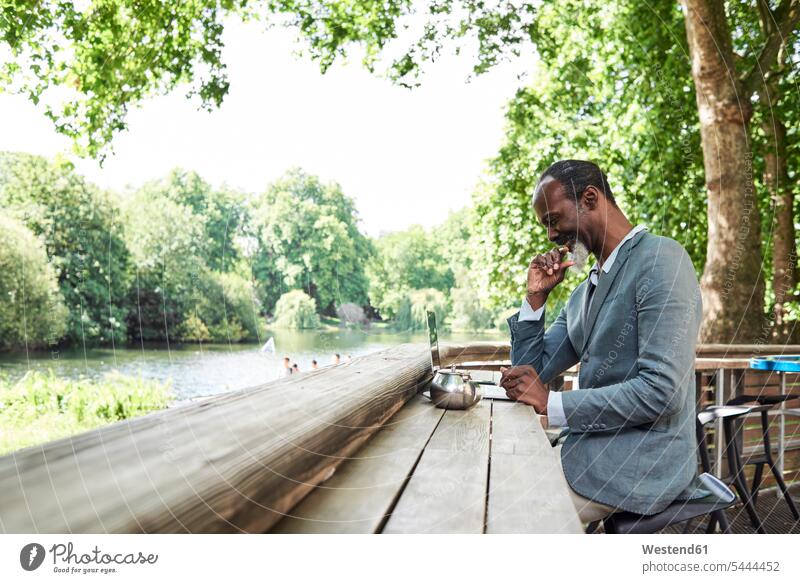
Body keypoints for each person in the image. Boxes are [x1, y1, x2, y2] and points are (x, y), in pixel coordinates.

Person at [499, 159, 710, 525]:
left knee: (512, 511)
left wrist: (552, 402)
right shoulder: (582, 294)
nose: (550, 235)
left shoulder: (662, 260)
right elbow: (532, 371)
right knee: (499, 480)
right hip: (586, 448)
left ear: (591, 199)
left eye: (553, 219)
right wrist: (535, 300)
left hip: (643, 463)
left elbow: (662, 393)